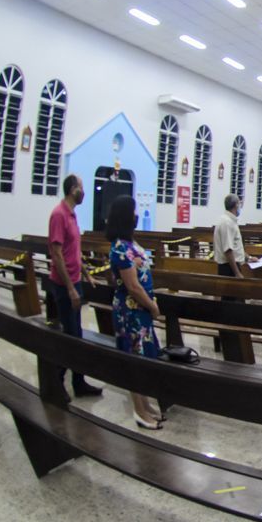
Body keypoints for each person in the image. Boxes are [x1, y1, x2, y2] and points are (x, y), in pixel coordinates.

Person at [106, 195, 164, 429]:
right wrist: (152, 306)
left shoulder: (130, 243)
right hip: (131, 313)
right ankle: (139, 411)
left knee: (143, 358)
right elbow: (132, 286)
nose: (136, 215)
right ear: (125, 217)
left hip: (139, 311)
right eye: (133, 211)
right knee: (135, 360)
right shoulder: (120, 247)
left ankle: (146, 404)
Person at [47, 173, 103, 398]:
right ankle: (55, 382)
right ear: (73, 190)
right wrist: (70, 288)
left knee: (76, 334)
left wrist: (87, 274)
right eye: (81, 187)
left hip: (75, 281)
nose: (84, 191)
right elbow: (57, 254)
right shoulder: (59, 215)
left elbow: (73, 251)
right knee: (70, 337)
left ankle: (78, 382)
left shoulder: (72, 214)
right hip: (64, 286)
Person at [213, 194, 253, 277]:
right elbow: (228, 250)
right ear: (236, 205)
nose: (240, 206)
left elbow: (235, 246)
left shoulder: (229, 220)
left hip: (231, 266)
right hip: (229, 268)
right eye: (239, 203)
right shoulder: (227, 223)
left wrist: (249, 258)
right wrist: (237, 273)